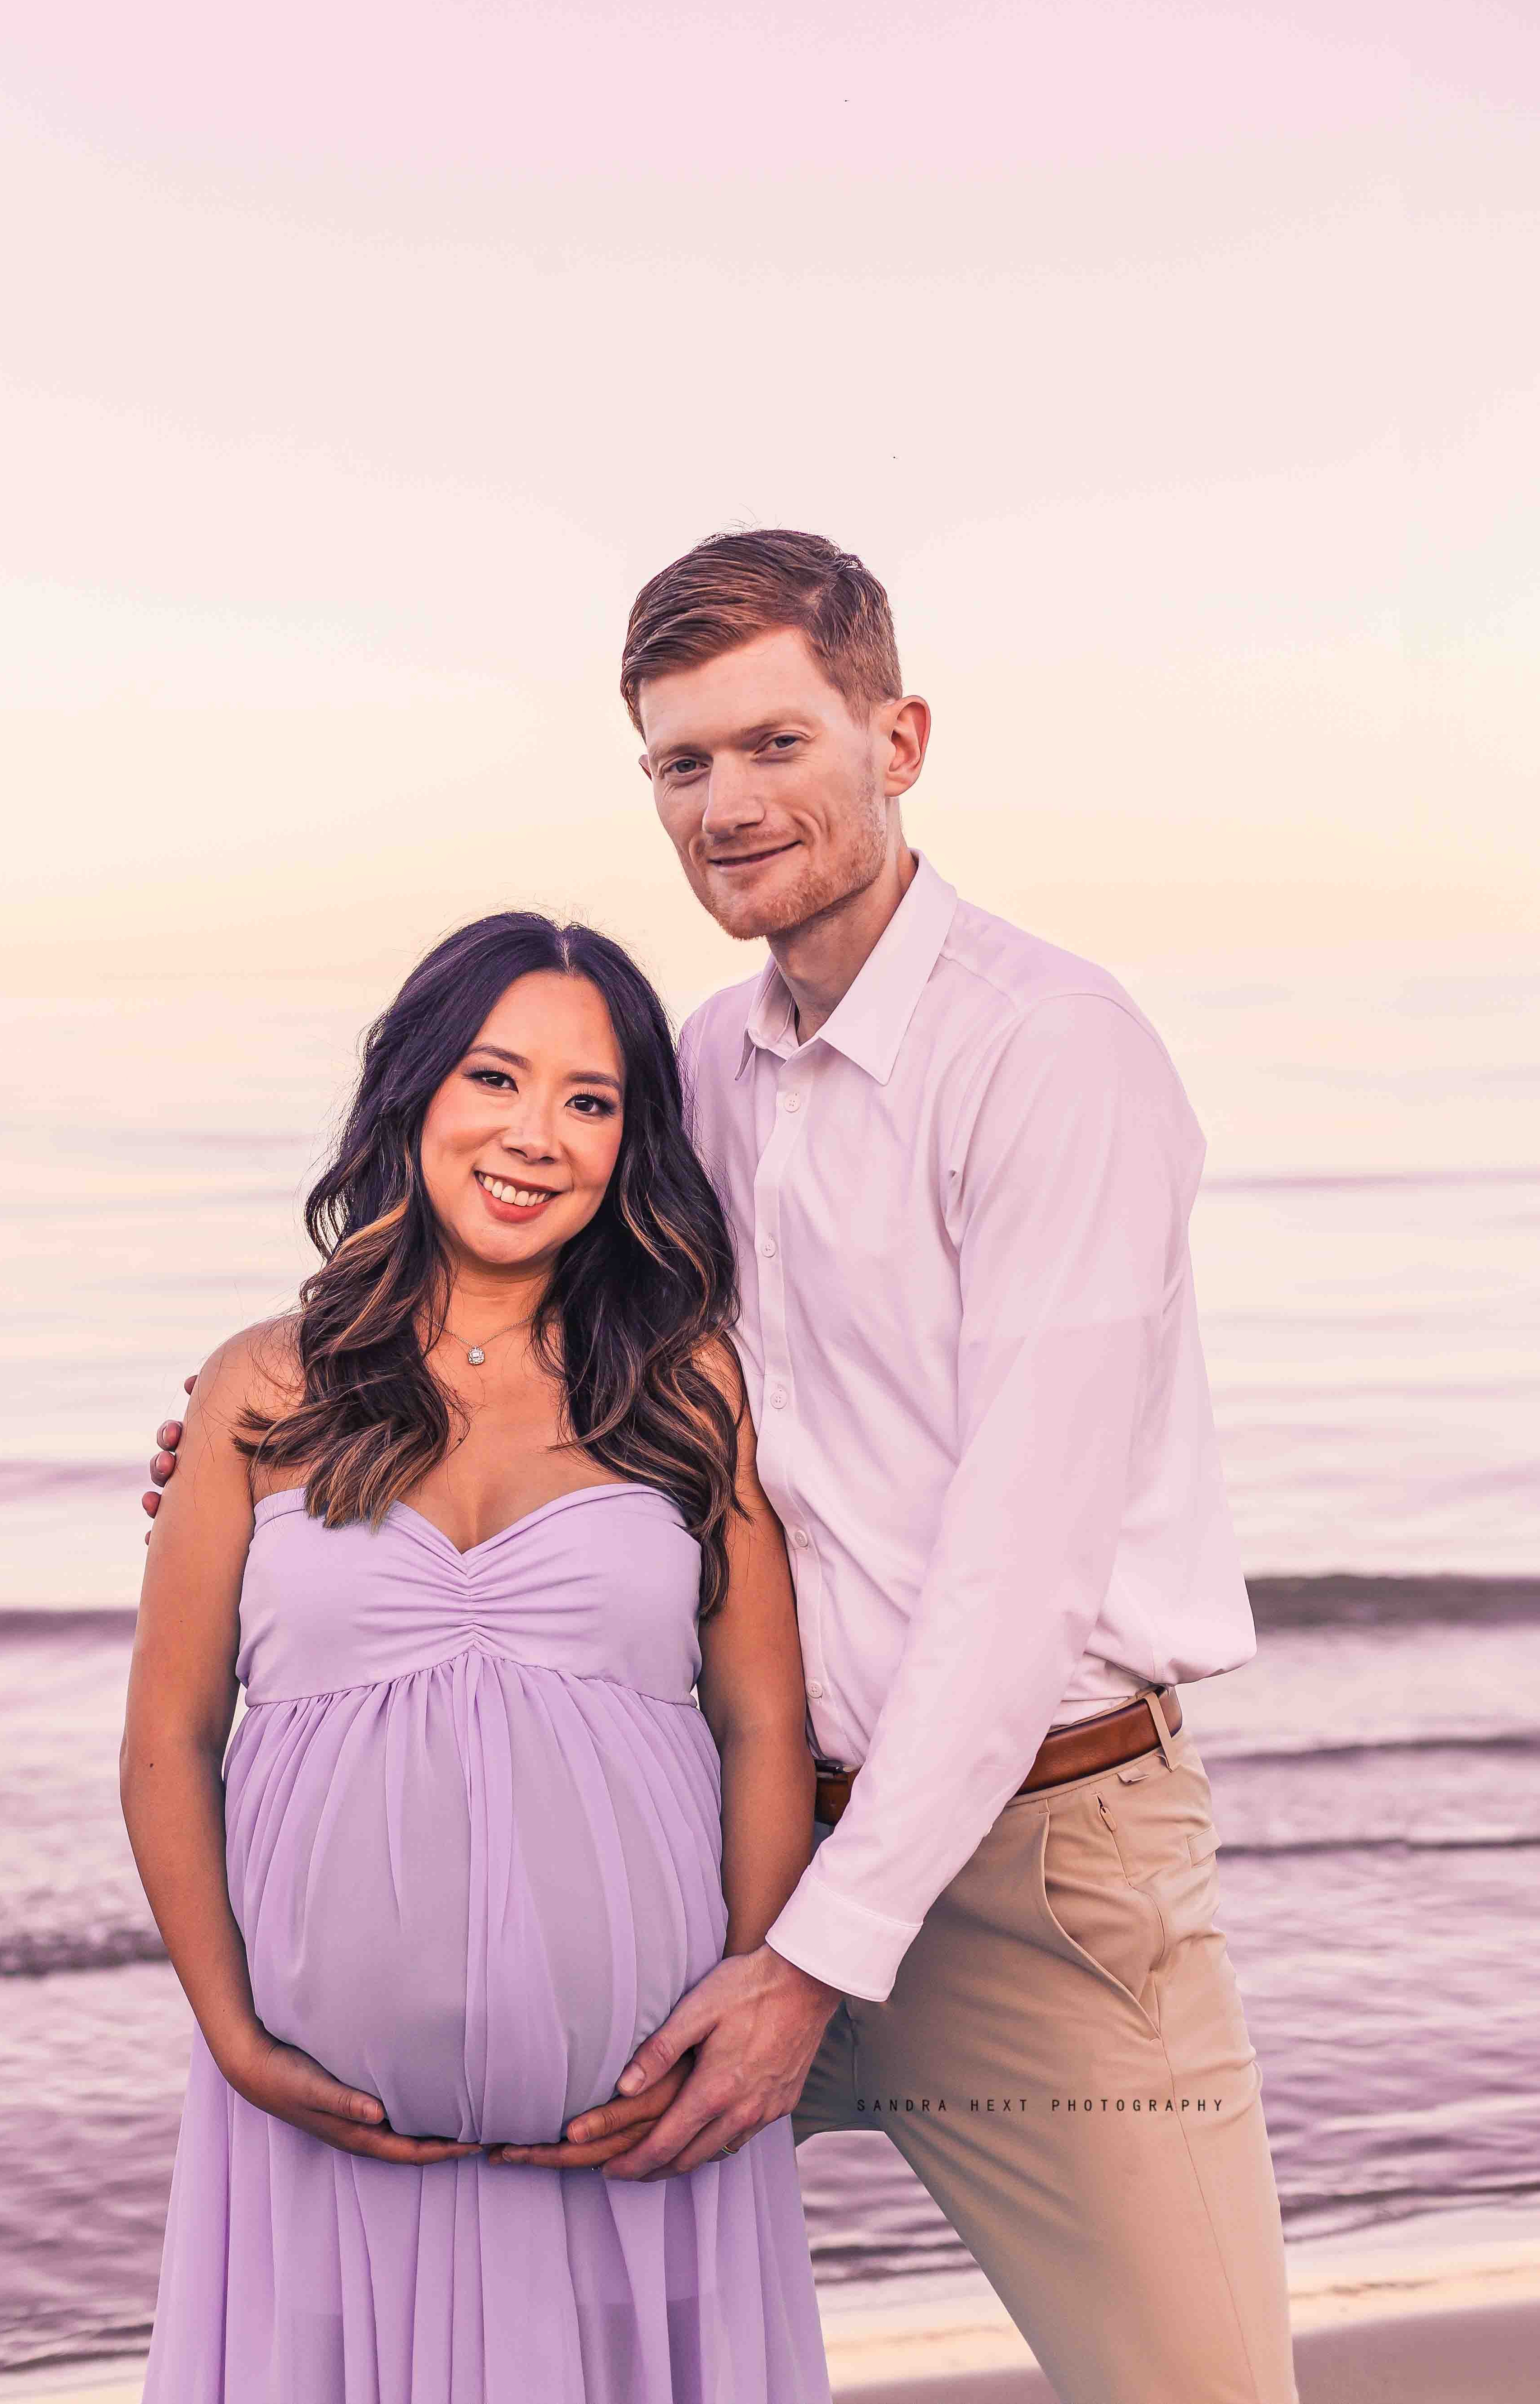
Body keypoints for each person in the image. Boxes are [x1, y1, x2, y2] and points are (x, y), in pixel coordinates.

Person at [149, 527, 1300, 2404]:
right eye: (682, 762)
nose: (727, 802)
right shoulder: (691, 1065)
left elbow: (1017, 1576)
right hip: (722, 1860)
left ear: (897, 736)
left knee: (1198, 2392)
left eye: (775, 743)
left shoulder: (1052, 1058)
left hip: (1023, 1872)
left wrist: (807, 1968)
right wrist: (261, 1460)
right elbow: (536, 1332)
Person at [122, 913, 831, 2403]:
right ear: (416, 1092)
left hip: (643, 2131)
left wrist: (748, 1998)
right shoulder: (264, 1382)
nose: (535, 1135)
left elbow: (765, 1717)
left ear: (631, 1145)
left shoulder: (688, 1380)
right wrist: (236, 2036)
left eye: (591, 1100)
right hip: (319, 2138)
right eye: (494, 1078)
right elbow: (170, 1736)